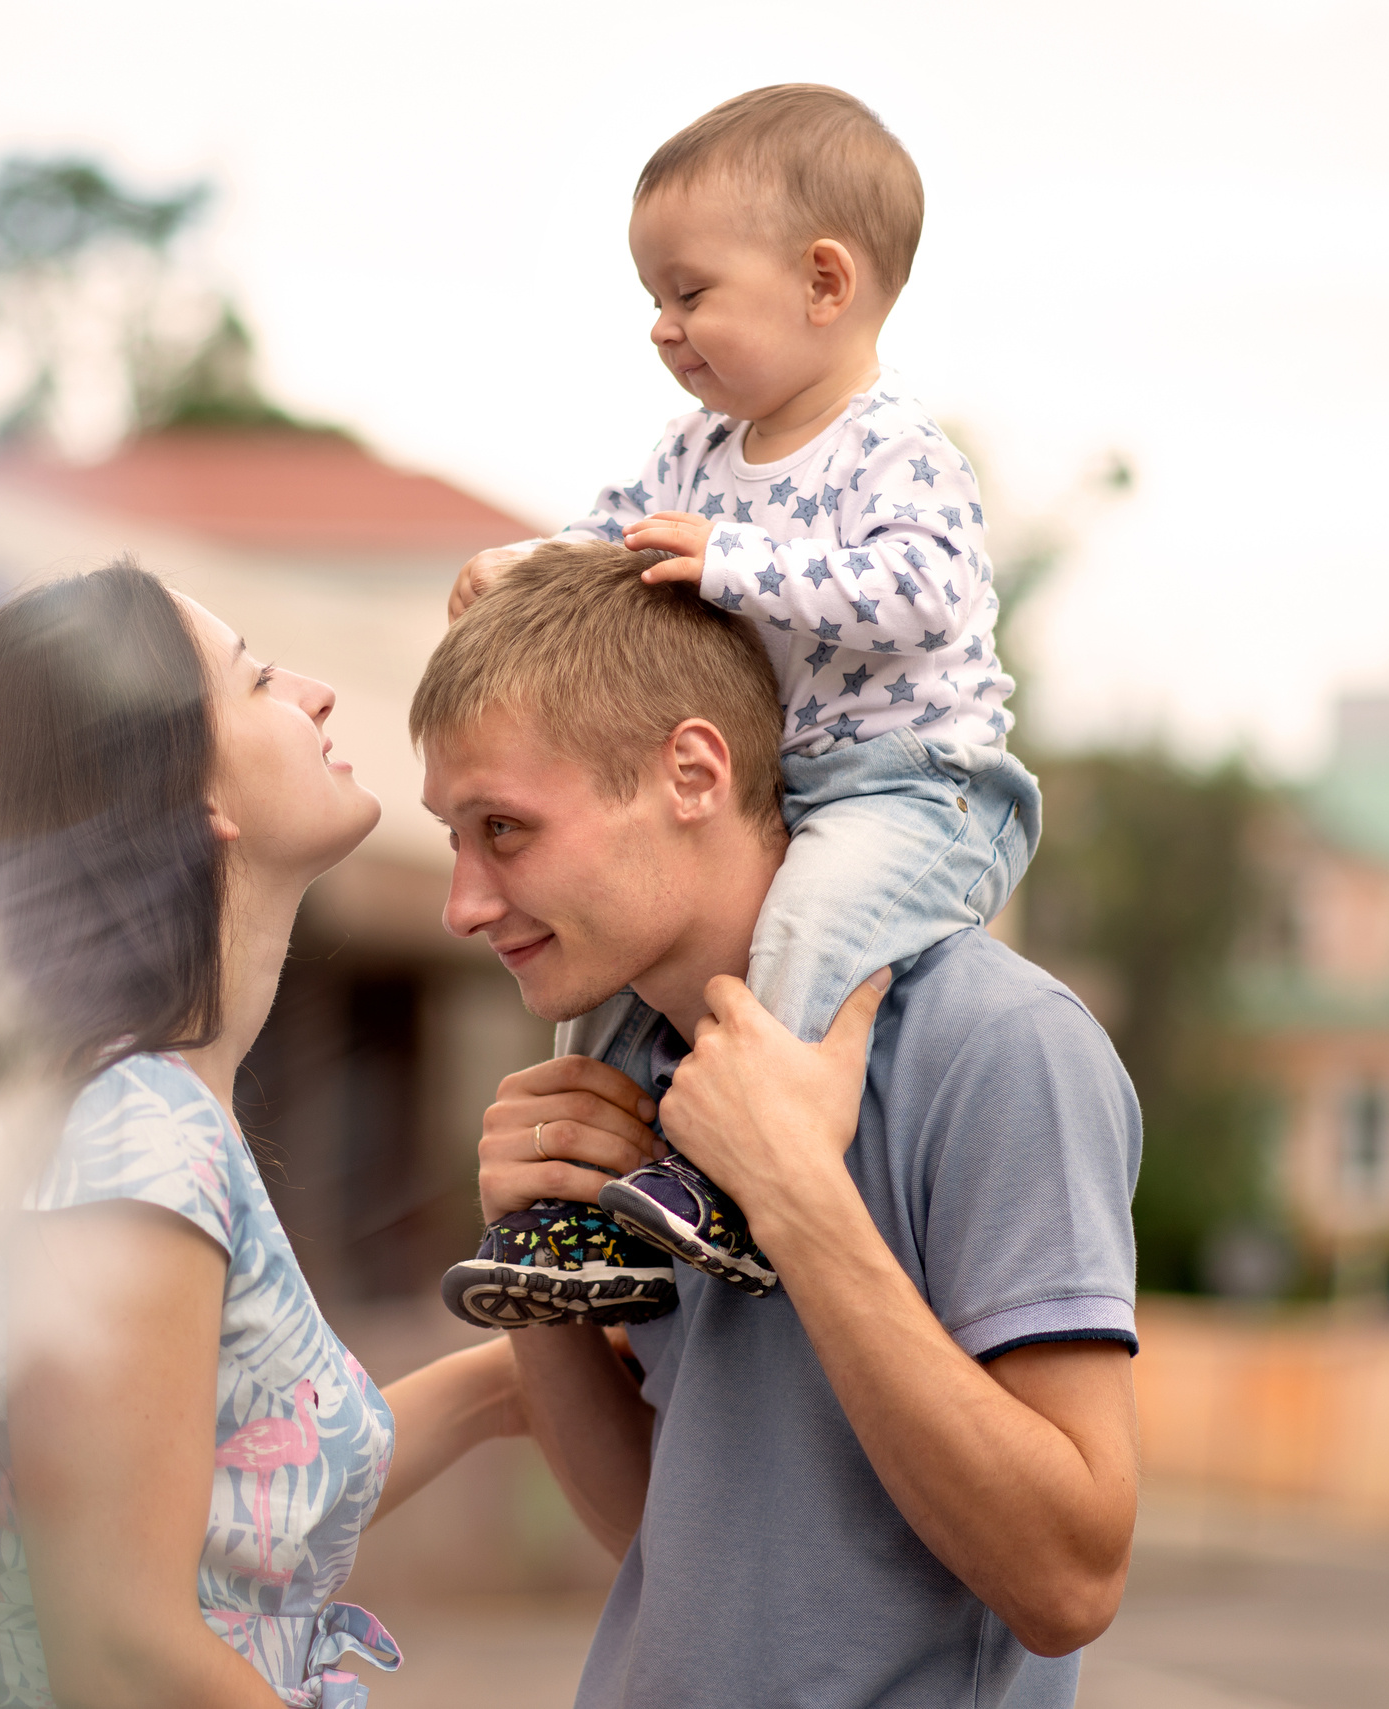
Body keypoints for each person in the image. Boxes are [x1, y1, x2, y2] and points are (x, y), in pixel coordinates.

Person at [413, 545, 1141, 1705]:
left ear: (692, 772)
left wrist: (796, 1194)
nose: (462, 903)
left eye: (503, 828)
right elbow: (666, 1537)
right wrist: (541, 1276)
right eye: (454, 836)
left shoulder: (1000, 1043)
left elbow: (1069, 1579)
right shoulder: (641, 1067)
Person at [439, 84, 1041, 1323]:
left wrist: (733, 560)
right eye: (652, 299)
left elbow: (926, 593)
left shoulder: (896, 450)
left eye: (689, 292)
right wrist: (523, 567)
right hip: (784, 782)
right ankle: (588, 1214)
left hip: (914, 786)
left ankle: (738, 1173)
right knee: (610, 974)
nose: (663, 329)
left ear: (824, 282)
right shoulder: (693, 450)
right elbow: (610, 539)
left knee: (809, 926)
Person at [0, 563, 528, 1709]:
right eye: (260, 680)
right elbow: (124, 1648)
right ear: (190, 799)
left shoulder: (130, 1108)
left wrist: (506, 1384)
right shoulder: (134, 1128)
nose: (316, 692)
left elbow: (238, 1490)